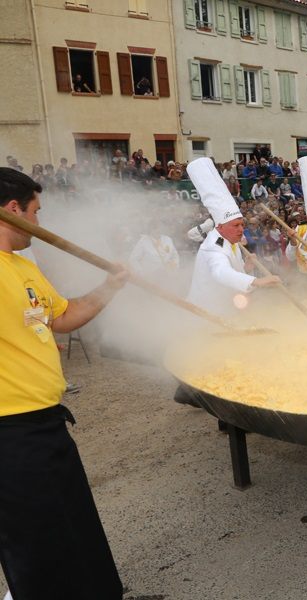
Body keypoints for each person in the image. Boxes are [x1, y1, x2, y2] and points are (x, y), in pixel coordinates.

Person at [0, 166, 128, 599]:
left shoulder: (23, 269)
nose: (39, 222)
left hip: (47, 425)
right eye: (36, 211)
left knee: (75, 531)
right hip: (8, 435)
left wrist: (110, 288)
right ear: (13, 210)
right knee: (35, 547)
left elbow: (61, 318)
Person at [185, 158, 280, 316]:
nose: (241, 229)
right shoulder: (213, 247)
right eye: (236, 226)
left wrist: (246, 268)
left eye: (242, 224)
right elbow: (220, 272)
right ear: (220, 226)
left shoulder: (232, 241)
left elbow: (232, 271)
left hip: (225, 308)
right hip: (206, 312)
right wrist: (257, 281)